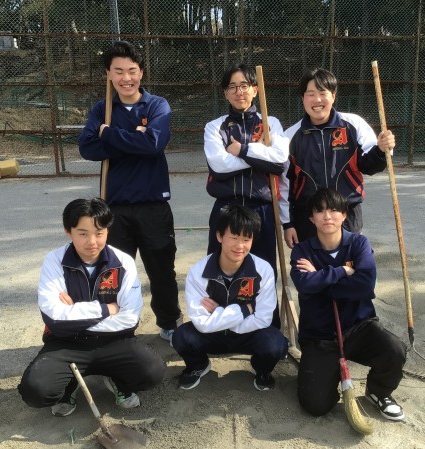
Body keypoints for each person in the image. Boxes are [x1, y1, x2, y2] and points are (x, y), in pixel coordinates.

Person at [18, 198, 165, 416]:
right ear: (68, 231)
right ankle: (70, 384)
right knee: (35, 391)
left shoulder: (123, 262)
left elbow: (130, 318)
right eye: (83, 233)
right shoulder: (54, 261)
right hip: (66, 343)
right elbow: (55, 320)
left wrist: (74, 313)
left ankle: (117, 379)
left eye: (99, 233)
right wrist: (107, 310)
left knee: (153, 372)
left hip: (115, 341)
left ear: (107, 230)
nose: (92, 241)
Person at [78, 40, 182, 344]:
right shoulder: (103, 108)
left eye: (132, 71)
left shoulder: (157, 105)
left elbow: (154, 145)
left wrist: (109, 135)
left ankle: (169, 322)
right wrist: (133, 139)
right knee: (113, 273)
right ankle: (116, 324)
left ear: (141, 72)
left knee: (162, 269)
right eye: (119, 71)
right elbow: (87, 148)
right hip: (115, 207)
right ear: (108, 74)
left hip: (153, 205)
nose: (126, 78)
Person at [289, 189, 406, 420]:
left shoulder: (359, 243)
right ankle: (327, 376)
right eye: (320, 211)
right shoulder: (302, 250)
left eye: (334, 210)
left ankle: (378, 392)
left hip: (359, 327)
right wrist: (342, 270)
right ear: (311, 218)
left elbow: (365, 286)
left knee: (395, 349)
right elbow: (304, 285)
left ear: (344, 215)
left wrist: (321, 280)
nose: (327, 216)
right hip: (320, 336)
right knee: (315, 405)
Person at [204, 63, 290, 328]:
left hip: (261, 209)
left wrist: (241, 150)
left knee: (263, 268)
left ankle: (266, 325)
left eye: (244, 85)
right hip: (226, 207)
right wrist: (259, 154)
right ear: (225, 93)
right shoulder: (215, 126)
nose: (239, 91)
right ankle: (220, 324)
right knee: (219, 266)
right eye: (232, 87)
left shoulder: (270, 123)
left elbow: (280, 161)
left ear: (255, 89)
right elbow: (219, 165)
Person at [172, 205, 288, 391]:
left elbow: (264, 318)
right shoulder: (198, 271)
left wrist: (218, 313)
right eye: (234, 237)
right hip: (213, 336)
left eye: (246, 239)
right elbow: (201, 322)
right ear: (219, 236)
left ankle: (261, 368)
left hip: (249, 335)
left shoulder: (263, 270)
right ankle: (199, 365)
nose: (240, 246)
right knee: (181, 337)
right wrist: (245, 309)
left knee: (276, 345)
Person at [283, 68, 396, 247]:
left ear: (333, 96)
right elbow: (284, 185)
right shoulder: (289, 136)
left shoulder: (353, 124)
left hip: (347, 215)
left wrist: (381, 150)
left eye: (323, 93)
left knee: (350, 262)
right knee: (311, 264)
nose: (317, 100)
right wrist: (288, 223)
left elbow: (369, 166)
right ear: (303, 98)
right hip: (307, 218)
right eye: (311, 94)